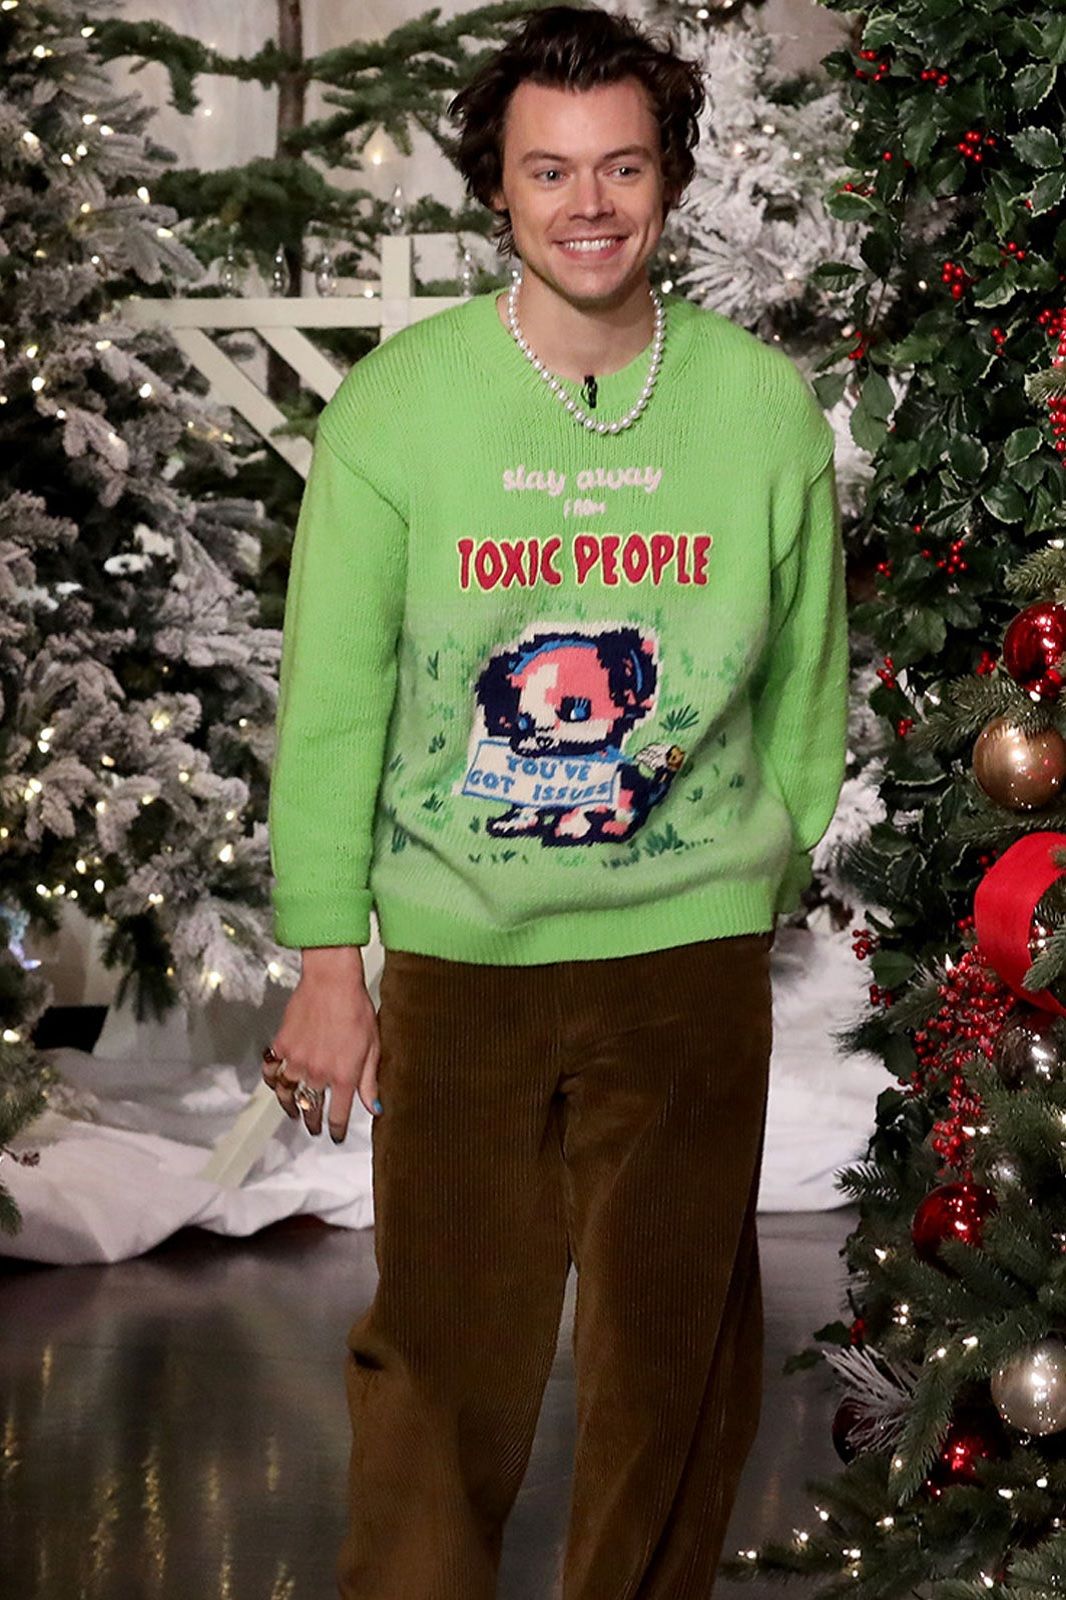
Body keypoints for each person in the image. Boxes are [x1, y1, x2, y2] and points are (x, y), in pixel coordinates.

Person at [262, 5, 849, 1596]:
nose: (587, 204)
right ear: (496, 188)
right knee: (437, 1367)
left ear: (668, 179)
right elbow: (336, 703)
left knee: (675, 1379)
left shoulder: (758, 409)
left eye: (620, 167)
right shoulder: (400, 409)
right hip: (463, 966)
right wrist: (328, 962)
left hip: (685, 965)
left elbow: (806, 683)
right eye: (548, 170)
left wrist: (748, 873)